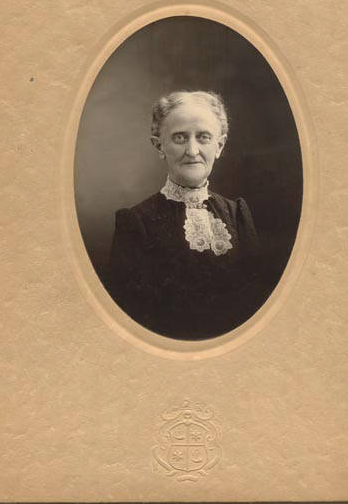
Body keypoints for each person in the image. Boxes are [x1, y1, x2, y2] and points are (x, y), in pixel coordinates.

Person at [108, 90, 268, 340]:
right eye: (180, 138)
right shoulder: (136, 223)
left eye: (203, 137)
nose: (192, 150)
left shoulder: (237, 214)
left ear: (219, 146)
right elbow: (131, 317)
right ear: (159, 145)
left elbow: (259, 301)